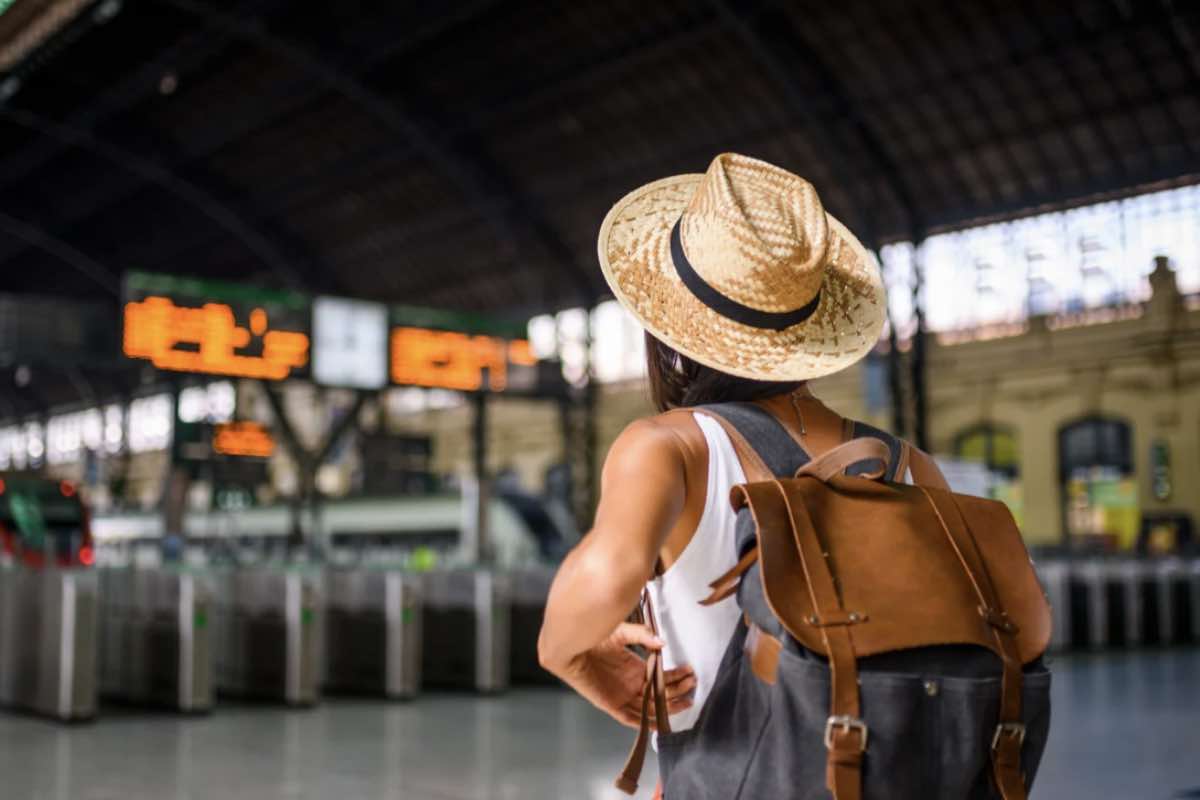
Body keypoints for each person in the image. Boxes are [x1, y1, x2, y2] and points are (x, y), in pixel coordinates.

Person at [538, 153, 890, 791]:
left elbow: (604, 576)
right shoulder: (901, 461)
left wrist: (569, 654)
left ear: (666, 324)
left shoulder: (670, 446)